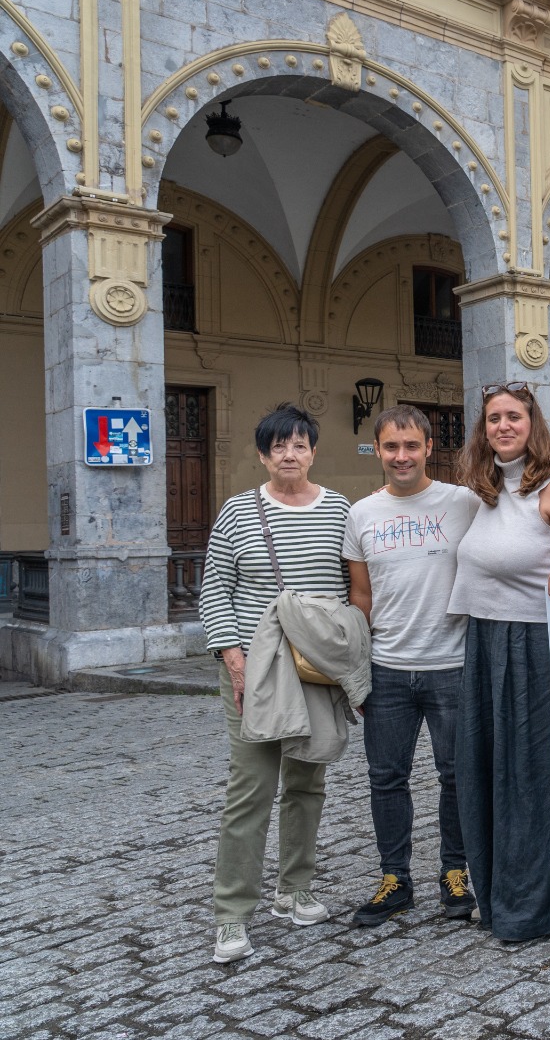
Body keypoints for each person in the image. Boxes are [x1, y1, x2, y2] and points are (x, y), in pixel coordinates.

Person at [200, 403, 352, 963]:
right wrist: (234, 661)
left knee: (308, 783)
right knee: (252, 788)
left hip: (315, 670)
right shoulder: (238, 511)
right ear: (263, 455)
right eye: (278, 446)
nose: (290, 454)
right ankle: (232, 914)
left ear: (313, 452)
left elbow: (352, 586)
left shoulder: (339, 509)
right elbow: (215, 588)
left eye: (299, 445)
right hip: (256, 670)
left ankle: (295, 889)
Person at [448, 381, 550, 942]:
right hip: (482, 644)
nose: (503, 426)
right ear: (483, 430)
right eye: (494, 419)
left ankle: (534, 906)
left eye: (514, 417)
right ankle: (495, 890)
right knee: (481, 771)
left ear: (533, 426)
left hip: (533, 646)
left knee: (528, 778)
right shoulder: (478, 493)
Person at [343, 405, 479, 927]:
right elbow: (361, 597)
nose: (402, 456)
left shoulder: (462, 502)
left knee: (456, 776)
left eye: (411, 446)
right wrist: (358, 670)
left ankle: (455, 872)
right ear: (378, 450)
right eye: (391, 447)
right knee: (386, 778)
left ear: (428, 448)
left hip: (451, 664)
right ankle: (394, 878)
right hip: (387, 669)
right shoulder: (361, 514)